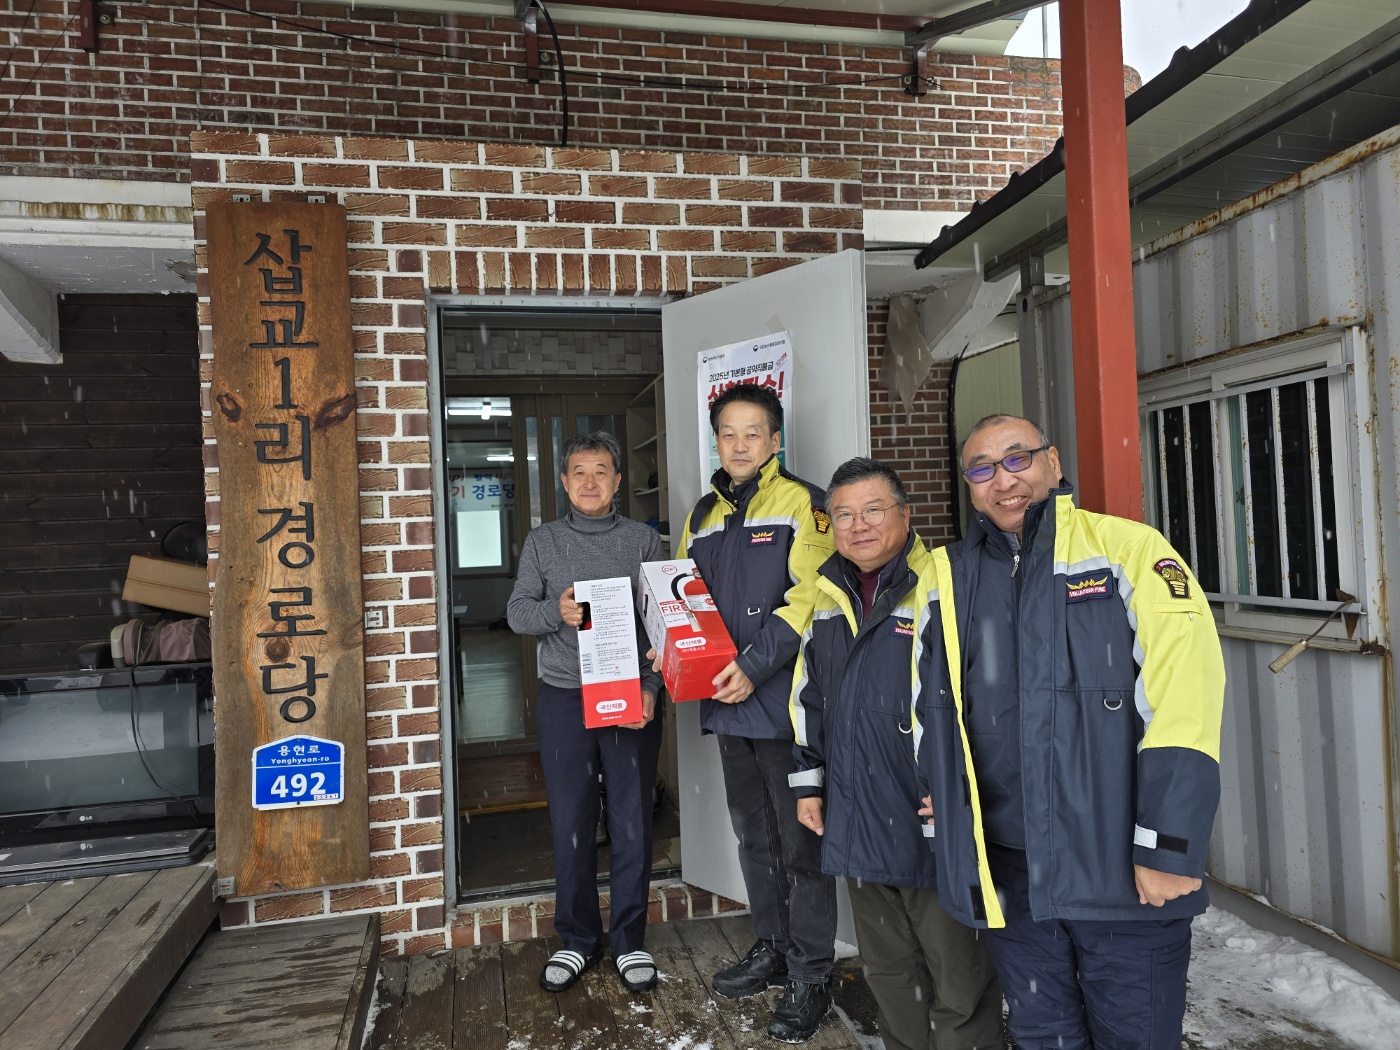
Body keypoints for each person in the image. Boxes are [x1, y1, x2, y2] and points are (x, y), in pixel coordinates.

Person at [912, 413, 1226, 1050]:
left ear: (1052, 463)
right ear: (968, 485)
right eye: (982, 469)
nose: (1003, 480)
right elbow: (929, 705)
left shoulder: (1130, 551)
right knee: (1043, 1035)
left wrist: (1169, 846)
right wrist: (939, 791)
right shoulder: (947, 575)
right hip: (1012, 872)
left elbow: (1185, 697)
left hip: (1119, 869)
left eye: (1017, 459)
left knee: (1136, 1038)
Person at [790, 457, 1003, 1050]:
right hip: (857, 816)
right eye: (843, 515)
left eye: (873, 510)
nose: (858, 526)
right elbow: (808, 696)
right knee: (889, 974)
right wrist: (808, 783)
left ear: (905, 516)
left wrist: (960, 789)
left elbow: (986, 699)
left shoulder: (946, 582)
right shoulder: (827, 595)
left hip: (930, 818)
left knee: (958, 978)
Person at [674, 383, 838, 1043]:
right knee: (754, 835)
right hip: (724, 698)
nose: (739, 445)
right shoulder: (703, 513)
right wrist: (675, 651)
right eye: (728, 433)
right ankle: (772, 944)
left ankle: (811, 973)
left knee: (801, 844)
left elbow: (811, 595)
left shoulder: (804, 504)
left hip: (783, 698)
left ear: (775, 440)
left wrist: (754, 664)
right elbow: (682, 595)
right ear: (717, 441)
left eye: (753, 433)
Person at [506, 431, 665, 995]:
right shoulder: (543, 542)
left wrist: (651, 687)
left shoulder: (643, 541)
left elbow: (661, 622)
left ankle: (629, 940)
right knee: (571, 821)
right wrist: (557, 611)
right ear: (564, 481)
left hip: (629, 694)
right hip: (565, 697)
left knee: (630, 821)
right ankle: (577, 938)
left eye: (601, 471)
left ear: (618, 481)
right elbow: (517, 613)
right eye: (579, 472)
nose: (590, 482)